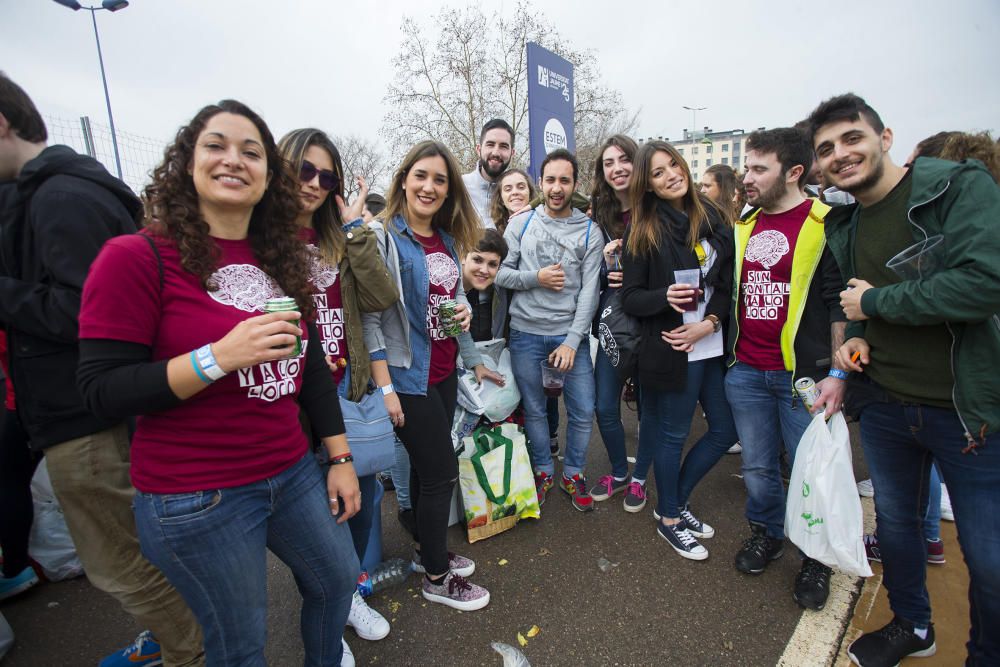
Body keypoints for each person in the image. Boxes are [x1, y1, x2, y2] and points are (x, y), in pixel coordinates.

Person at [77, 100, 361, 666]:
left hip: (291, 472)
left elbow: (307, 370)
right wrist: (218, 357)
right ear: (186, 164)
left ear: (266, 178)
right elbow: (101, 391)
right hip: (198, 496)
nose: (234, 160)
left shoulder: (280, 258)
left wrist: (339, 456)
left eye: (251, 151)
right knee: (240, 646)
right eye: (216, 145)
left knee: (337, 582)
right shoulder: (135, 257)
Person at [0, 73, 204, 667]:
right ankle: (180, 642)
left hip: (85, 414)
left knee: (122, 561)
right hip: (80, 410)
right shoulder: (51, 193)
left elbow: (88, 314)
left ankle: (192, 652)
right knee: (135, 553)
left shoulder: (63, 198)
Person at [808, 93, 1000, 667]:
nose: (840, 155)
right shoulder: (845, 221)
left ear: (884, 137)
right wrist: (855, 347)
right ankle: (913, 625)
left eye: (851, 138)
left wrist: (877, 304)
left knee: (988, 558)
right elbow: (848, 306)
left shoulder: (956, 188)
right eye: (827, 149)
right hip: (887, 405)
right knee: (896, 530)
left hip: (967, 414)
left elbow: (985, 284)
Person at [363, 140, 501, 611]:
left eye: (440, 180)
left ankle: (427, 554)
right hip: (408, 378)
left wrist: (464, 317)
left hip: (443, 373)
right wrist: (385, 389)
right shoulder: (385, 238)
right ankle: (438, 579)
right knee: (441, 475)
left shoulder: (443, 239)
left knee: (426, 473)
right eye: (421, 175)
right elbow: (371, 319)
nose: (429, 186)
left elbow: (452, 296)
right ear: (404, 179)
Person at [278, 128, 400, 644]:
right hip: (293, 404)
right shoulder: (263, 241)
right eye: (304, 170)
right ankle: (327, 617)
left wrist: (354, 229)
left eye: (326, 176)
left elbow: (379, 295)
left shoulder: (337, 238)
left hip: (348, 392)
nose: (314, 183)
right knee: (314, 530)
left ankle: (347, 596)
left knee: (358, 505)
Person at [726, 127, 847, 611]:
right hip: (748, 372)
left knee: (809, 471)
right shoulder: (743, 225)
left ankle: (815, 558)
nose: (747, 177)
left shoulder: (826, 223)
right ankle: (767, 534)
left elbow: (840, 304)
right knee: (757, 468)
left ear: (794, 172)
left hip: (805, 378)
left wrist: (838, 373)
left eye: (759, 168)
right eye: (746, 166)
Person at [620, 140, 737, 559]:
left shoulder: (714, 219)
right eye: (658, 172)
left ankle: (675, 501)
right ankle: (669, 518)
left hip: (710, 342)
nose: (672, 174)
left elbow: (724, 286)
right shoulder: (643, 229)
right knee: (673, 436)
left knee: (725, 430)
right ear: (647, 185)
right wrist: (664, 297)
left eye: (673, 164)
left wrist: (709, 323)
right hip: (672, 348)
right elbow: (630, 297)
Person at [496, 148, 604, 512]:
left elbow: (590, 291)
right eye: (551, 180)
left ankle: (573, 472)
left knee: (582, 407)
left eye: (565, 180)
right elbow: (500, 273)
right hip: (526, 334)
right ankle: (543, 469)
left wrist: (574, 341)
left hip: (568, 336)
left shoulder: (590, 231)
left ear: (575, 185)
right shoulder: (521, 224)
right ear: (540, 183)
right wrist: (536, 278)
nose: (557, 188)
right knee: (536, 409)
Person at [587, 134, 653, 511]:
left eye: (623, 159)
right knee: (604, 404)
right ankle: (618, 471)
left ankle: (640, 478)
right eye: (608, 163)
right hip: (614, 322)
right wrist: (605, 268)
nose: (616, 169)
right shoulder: (602, 214)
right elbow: (590, 274)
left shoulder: (656, 208)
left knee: (648, 406)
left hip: (652, 322)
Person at [488, 169, 560, 452]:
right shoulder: (496, 230)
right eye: (508, 189)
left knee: (546, 382)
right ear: (500, 197)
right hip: (504, 315)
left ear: (531, 192)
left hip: (540, 317)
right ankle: (517, 437)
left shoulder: (545, 222)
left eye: (521, 187)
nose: (515, 192)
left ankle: (550, 435)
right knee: (514, 381)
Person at [462, 119, 515, 228]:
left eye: (503, 146)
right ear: (479, 149)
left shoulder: (518, 194)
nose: (496, 152)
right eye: (490, 144)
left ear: (512, 153)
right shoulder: (459, 186)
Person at [463, 228, 509, 343]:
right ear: (463, 257)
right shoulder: (441, 287)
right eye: (478, 260)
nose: (484, 270)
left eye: (492, 264)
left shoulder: (496, 291)